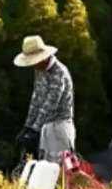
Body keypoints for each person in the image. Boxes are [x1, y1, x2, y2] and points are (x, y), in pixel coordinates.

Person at [14, 35, 75, 163]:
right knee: (45, 166)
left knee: (63, 167)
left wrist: (34, 129)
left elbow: (50, 104)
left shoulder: (59, 73)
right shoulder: (39, 70)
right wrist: (27, 126)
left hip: (60, 127)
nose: (33, 64)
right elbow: (36, 99)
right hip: (45, 127)